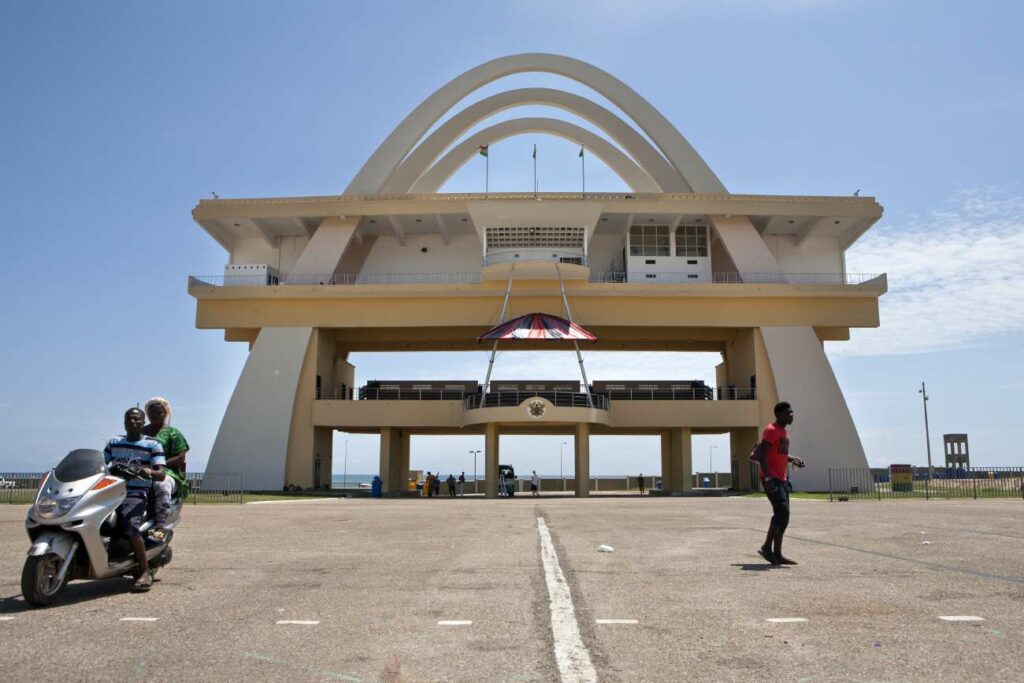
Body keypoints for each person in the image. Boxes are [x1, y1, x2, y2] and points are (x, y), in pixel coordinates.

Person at [104, 407, 166, 592]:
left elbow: (161, 474)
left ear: (143, 422)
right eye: (129, 419)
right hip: (110, 491)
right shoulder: (114, 442)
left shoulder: (152, 445)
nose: (133, 422)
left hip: (135, 494)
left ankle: (145, 570)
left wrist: (148, 471)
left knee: (131, 528)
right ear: (124, 422)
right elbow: (101, 463)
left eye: (137, 419)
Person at [750, 401, 806, 565]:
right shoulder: (771, 431)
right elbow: (760, 455)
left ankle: (777, 554)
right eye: (789, 412)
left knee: (785, 516)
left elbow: (778, 454)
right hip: (772, 478)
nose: (792, 415)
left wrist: (793, 459)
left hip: (781, 478)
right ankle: (767, 548)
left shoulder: (784, 432)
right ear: (779, 414)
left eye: (792, 412)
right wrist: (767, 479)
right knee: (781, 512)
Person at [141, 397, 189, 542]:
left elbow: (180, 457)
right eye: (152, 412)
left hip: (167, 472)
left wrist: (159, 465)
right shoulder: (141, 432)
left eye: (159, 412)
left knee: (161, 485)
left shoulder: (173, 433)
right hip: (141, 470)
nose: (156, 415)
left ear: (165, 413)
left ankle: (160, 526)